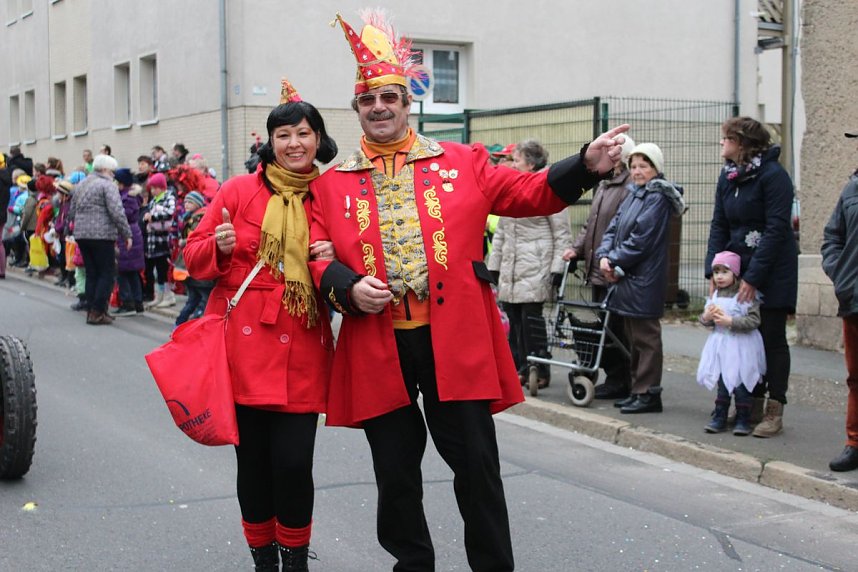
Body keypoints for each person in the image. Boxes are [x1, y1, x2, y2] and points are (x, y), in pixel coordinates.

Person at [309, 12, 628, 571]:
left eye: (390, 97)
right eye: (368, 100)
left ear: (408, 105)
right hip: (379, 346)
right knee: (395, 474)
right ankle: (413, 565)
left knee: (477, 468)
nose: (379, 107)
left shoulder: (463, 163)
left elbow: (531, 193)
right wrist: (348, 288)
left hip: (452, 341)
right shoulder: (330, 183)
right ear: (356, 109)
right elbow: (317, 255)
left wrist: (586, 165)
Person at [184, 77, 337, 572]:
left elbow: (354, 261)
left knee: (294, 463)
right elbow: (192, 256)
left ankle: (294, 559)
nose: (294, 143)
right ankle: (263, 560)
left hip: (303, 342)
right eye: (283, 135)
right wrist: (219, 248)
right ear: (270, 144)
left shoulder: (332, 195)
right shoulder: (236, 191)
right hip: (243, 347)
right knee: (252, 465)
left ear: (319, 139)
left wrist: (337, 258)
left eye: (303, 133)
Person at [705, 116, 798, 438]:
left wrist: (754, 277)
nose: (721, 143)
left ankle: (774, 409)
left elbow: (776, 230)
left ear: (742, 143)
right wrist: (713, 269)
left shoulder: (774, 176)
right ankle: (749, 404)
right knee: (745, 340)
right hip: (737, 267)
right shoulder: (728, 177)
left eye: (726, 138)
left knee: (770, 338)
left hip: (772, 271)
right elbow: (719, 224)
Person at [596, 143, 686, 414]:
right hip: (627, 277)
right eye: (634, 166)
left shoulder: (657, 198)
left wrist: (613, 259)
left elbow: (641, 240)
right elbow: (613, 228)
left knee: (646, 338)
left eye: (643, 166)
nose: (637, 171)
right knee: (633, 337)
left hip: (643, 278)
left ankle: (648, 393)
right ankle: (638, 389)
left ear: (655, 169)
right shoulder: (634, 194)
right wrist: (604, 255)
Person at [487, 139, 572, 388]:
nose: (512, 164)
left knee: (531, 320)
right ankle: (519, 367)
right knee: (513, 320)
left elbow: (561, 233)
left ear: (531, 163)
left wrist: (557, 268)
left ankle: (540, 368)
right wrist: (494, 265)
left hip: (536, 264)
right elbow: (501, 231)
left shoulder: (549, 187)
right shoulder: (510, 187)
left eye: (517, 160)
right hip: (512, 266)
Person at [562, 135, 636, 399]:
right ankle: (614, 376)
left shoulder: (628, 186)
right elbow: (591, 224)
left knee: (616, 329)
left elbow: (622, 229)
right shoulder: (605, 185)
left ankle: (622, 380)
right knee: (605, 327)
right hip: (597, 268)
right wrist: (577, 248)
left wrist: (613, 259)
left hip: (612, 270)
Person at [696, 251, 766, 435]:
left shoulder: (745, 297)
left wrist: (732, 322)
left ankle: (743, 418)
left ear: (735, 273)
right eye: (716, 272)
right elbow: (706, 322)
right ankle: (719, 416)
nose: (719, 276)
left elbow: (754, 321)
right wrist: (706, 317)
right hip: (720, 346)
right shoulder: (714, 296)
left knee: (741, 382)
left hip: (742, 346)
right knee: (723, 382)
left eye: (724, 271)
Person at [822, 130, 858, 471]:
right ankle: (854, 442)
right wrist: (841, 273)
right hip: (854, 298)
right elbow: (832, 236)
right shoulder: (852, 189)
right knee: (855, 377)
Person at [68, 154, 133, 325]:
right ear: (105, 170)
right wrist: (126, 234)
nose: (113, 175)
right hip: (101, 234)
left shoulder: (82, 184)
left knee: (91, 273)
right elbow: (117, 211)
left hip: (82, 234)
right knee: (106, 272)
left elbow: (72, 210)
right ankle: (98, 311)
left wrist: (73, 228)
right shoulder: (107, 185)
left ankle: (92, 309)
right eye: (112, 171)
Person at [172, 190, 213, 326]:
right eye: (185, 202)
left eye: (190, 202)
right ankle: (182, 325)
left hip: (197, 264)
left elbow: (197, 236)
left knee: (200, 300)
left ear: (198, 203)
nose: (187, 204)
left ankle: (183, 324)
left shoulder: (199, 218)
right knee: (196, 299)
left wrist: (185, 241)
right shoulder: (189, 217)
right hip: (191, 265)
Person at [111, 168, 146, 317]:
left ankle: (128, 303)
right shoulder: (128, 196)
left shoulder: (128, 198)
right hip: (130, 234)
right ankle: (137, 303)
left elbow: (124, 215)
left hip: (127, 235)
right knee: (131, 272)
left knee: (124, 271)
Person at [142, 172, 176, 308]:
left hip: (163, 240)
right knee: (157, 269)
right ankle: (159, 295)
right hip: (152, 240)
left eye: (156, 187)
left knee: (164, 269)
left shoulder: (168, 197)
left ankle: (169, 295)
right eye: (152, 188)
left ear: (162, 187)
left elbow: (170, 212)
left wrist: (154, 217)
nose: (153, 190)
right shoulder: (153, 201)